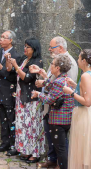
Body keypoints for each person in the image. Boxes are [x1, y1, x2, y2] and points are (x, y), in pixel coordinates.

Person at [33, 36, 78, 168]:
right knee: (52, 136)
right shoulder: (58, 60)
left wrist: (41, 91)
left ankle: (61, 164)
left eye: (51, 47)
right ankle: (53, 160)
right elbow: (55, 82)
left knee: (61, 143)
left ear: (60, 48)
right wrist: (43, 75)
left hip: (59, 111)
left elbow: (63, 87)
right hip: (53, 109)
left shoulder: (69, 63)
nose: (49, 49)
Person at [6, 38, 45, 163]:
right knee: (23, 126)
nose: (25, 48)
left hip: (31, 99)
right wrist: (9, 61)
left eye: (28, 47)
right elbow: (10, 70)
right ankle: (27, 151)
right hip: (21, 97)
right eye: (25, 46)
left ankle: (35, 153)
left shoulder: (37, 61)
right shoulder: (24, 59)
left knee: (32, 126)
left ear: (34, 49)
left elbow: (27, 78)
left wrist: (16, 66)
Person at [0, 30, 21, 155]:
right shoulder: (0, 53)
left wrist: (1, 68)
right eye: (0, 37)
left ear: (10, 40)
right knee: (2, 120)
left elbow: (13, 77)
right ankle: (5, 143)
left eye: (4, 37)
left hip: (9, 92)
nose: (0, 39)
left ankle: (14, 144)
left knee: (11, 120)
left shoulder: (16, 56)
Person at [63, 49, 91, 169]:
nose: (78, 61)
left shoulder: (85, 75)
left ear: (84, 61)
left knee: (80, 148)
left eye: (79, 58)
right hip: (85, 113)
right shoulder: (88, 74)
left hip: (83, 113)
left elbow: (87, 101)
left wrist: (70, 92)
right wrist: (75, 85)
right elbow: (86, 92)